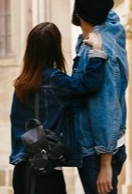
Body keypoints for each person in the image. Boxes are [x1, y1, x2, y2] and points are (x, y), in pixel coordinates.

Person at [9, 21, 108, 194]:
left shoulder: (21, 84)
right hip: (45, 171)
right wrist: (97, 51)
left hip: (21, 170)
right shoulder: (55, 81)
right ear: (55, 49)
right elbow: (87, 85)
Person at [66, 0, 129, 194]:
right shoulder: (111, 24)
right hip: (106, 146)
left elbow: (106, 106)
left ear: (78, 12)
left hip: (98, 151)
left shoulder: (100, 53)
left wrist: (105, 163)